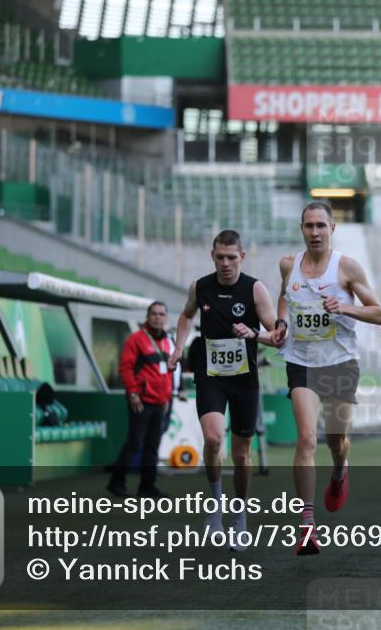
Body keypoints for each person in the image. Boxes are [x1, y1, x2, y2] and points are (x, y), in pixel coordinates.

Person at [276, 202, 381, 555]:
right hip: (302, 362)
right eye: (309, 226)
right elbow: (284, 297)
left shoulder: (347, 267)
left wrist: (345, 307)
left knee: (336, 441)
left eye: (321, 225)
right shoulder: (288, 265)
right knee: (306, 438)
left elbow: (378, 313)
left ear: (332, 228)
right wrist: (280, 323)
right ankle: (307, 525)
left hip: (339, 362)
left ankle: (340, 470)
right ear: (301, 229)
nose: (315, 232)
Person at [168, 229, 282, 551]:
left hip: (244, 377)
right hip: (211, 374)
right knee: (214, 438)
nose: (226, 263)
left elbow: (276, 333)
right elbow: (186, 316)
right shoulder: (200, 287)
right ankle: (215, 506)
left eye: (232, 257)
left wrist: (253, 332)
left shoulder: (255, 289)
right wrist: (178, 348)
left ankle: (239, 517)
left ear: (242, 257)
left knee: (241, 453)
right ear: (212, 255)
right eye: (220, 257)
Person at [108, 301, 175, 499]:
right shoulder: (135, 340)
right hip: (141, 401)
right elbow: (126, 368)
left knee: (152, 447)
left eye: (161, 314)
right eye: (153, 314)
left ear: (165, 318)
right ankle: (116, 483)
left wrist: (167, 398)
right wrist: (133, 393)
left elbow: (167, 374)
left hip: (159, 403)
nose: (157, 317)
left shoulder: (165, 341)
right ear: (147, 317)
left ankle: (147, 486)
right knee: (134, 444)